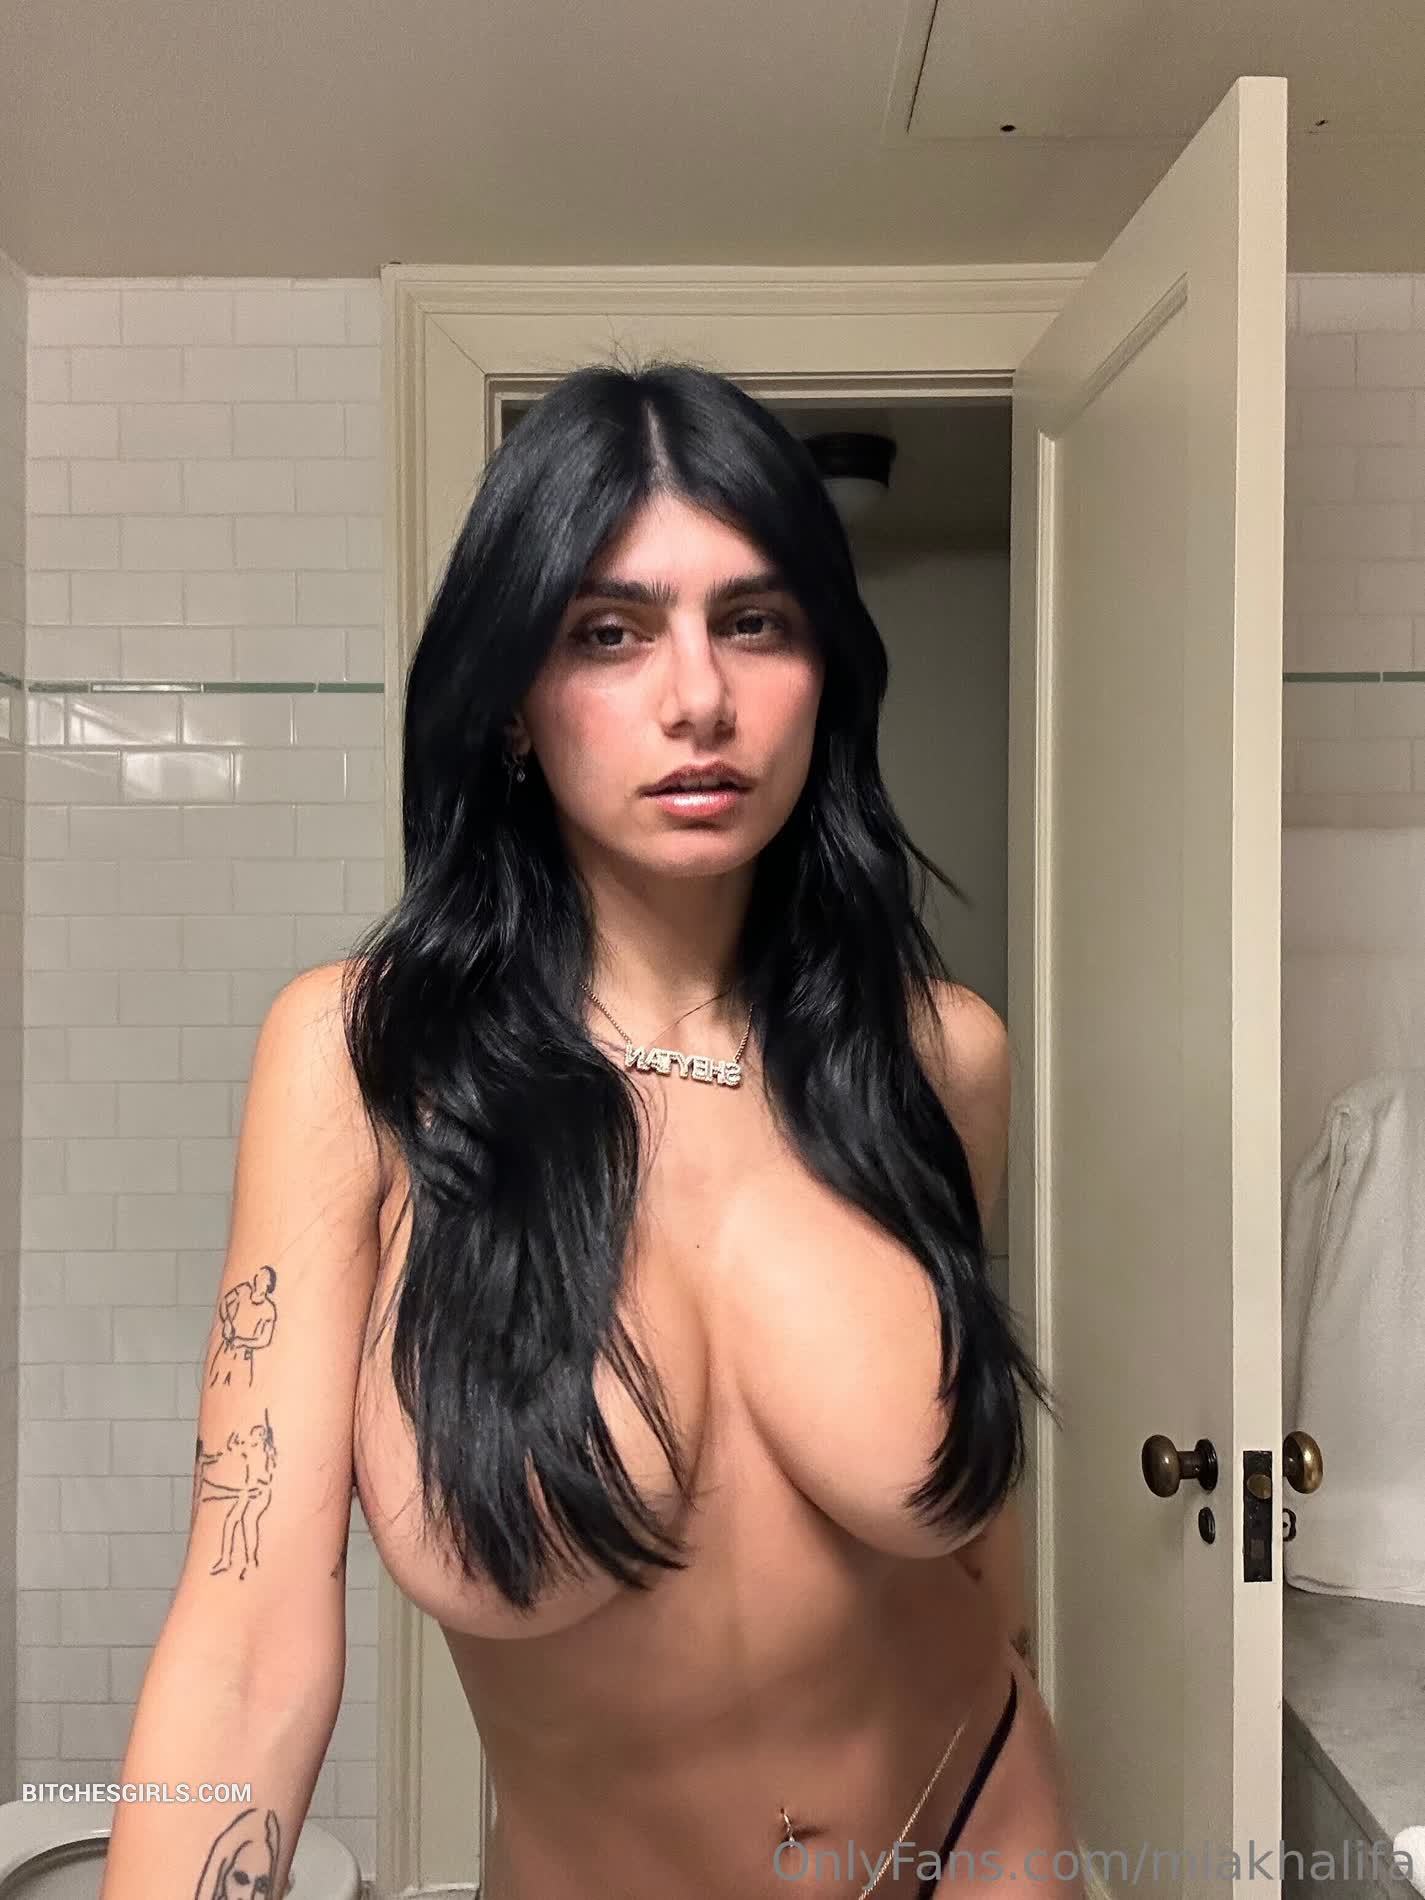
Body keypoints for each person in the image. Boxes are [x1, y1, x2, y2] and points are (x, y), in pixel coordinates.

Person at [102, 359, 1084, 1900]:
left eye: (753, 621)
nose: (698, 697)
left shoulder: (937, 1056)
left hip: (979, 1843)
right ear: (509, 698)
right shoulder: (364, 1061)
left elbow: (972, 1545)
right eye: (608, 632)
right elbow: (243, 1643)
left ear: (823, 671)